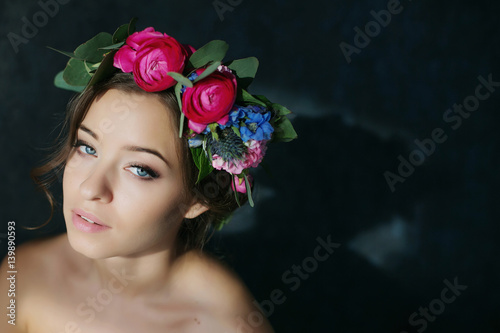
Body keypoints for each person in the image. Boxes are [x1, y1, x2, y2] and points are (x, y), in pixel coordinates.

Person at [1, 20, 296, 332]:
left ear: (198, 197)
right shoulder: (21, 277)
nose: (90, 188)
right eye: (87, 148)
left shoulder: (224, 325)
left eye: (140, 170)